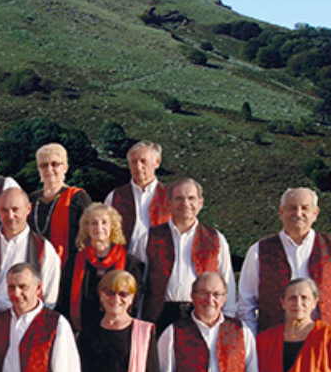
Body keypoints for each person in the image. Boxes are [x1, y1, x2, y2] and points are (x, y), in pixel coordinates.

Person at [238, 187, 331, 336]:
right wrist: (253, 345)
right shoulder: (259, 251)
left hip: (323, 344)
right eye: (292, 208)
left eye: (305, 208)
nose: (298, 214)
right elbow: (246, 305)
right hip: (274, 346)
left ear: (315, 213)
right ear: (281, 212)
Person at [140, 178, 236, 332]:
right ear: (169, 203)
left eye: (191, 198)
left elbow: (227, 281)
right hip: (158, 316)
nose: (185, 203)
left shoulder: (216, 239)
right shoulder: (149, 237)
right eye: (179, 198)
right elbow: (139, 282)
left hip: (202, 314)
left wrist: (228, 319)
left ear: (200, 202)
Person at [0, 187, 61, 316]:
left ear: (28, 209)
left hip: (27, 318)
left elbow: (50, 298)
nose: (10, 216)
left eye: (15, 209)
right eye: (4, 210)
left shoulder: (44, 249)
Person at [28, 143, 91, 313]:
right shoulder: (31, 200)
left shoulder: (78, 198)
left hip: (68, 273)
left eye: (55, 164)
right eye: (43, 165)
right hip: (36, 270)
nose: (49, 169)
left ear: (65, 167)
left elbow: (88, 238)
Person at [68, 204, 138, 335]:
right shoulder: (74, 262)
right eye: (93, 223)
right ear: (86, 228)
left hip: (120, 331)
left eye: (104, 222)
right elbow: (65, 298)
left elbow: (136, 302)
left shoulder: (131, 263)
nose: (99, 228)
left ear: (113, 226)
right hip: (85, 331)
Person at [104, 140, 169, 265]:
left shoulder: (173, 197)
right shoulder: (114, 197)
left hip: (161, 266)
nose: (138, 167)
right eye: (133, 162)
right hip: (123, 265)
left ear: (157, 163)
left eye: (143, 161)